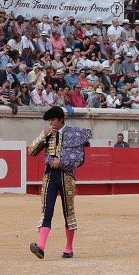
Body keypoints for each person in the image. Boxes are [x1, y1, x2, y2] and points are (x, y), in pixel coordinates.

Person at [28, 106, 91, 259]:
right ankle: (41, 247)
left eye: (53, 120)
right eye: (49, 120)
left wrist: (61, 162)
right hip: (50, 175)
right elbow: (31, 151)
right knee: (47, 209)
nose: (51, 123)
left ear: (61, 119)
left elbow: (79, 159)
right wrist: (42, 136)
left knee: (68, 212)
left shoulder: (75, 134)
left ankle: (69, 248)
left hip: (66, 176)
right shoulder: (48, 134)